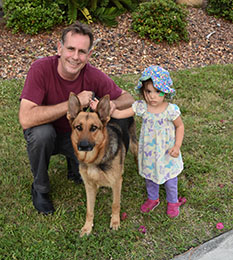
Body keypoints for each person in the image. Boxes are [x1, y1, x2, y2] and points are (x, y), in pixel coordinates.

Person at [18, 22, 135, 215]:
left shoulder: (92, 74)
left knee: (116, 121)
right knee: (41, 134)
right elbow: (25, 118)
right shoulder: (40, 69)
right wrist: (73, 102)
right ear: (59, 48)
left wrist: (115, 105)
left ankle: (76, 167)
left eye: (82, 51)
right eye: (70, 49)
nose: (75, 57)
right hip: (49, 136)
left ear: (88, 56)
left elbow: (128, 98)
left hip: (79, 136)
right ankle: (40, 188)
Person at [91, 65, 186, 218]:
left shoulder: (170, 110)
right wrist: (101, 107)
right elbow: (119, 114)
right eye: (148, 91)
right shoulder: (142, 107)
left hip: (167, 151)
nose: (152, 96)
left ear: (166, 92)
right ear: (143, 91)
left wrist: (177, 145)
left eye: (158, 91)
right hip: (149, 151)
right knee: (150, 176)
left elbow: (180, 126)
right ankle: (153, 198)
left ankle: (173, 201)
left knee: (170, 179)